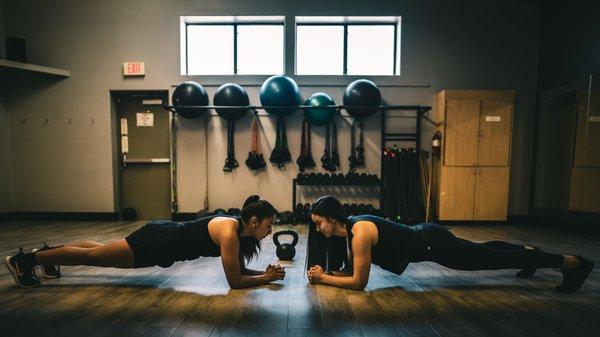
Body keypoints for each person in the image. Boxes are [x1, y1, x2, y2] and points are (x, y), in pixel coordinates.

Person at [306, 196, 593, 293]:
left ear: (333, 218)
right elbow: (355, 271)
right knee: (484, 252)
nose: (318, 229)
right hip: (430, 237)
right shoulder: (351, 230)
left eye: (319, 223)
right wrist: (326, 274)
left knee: (488, 260)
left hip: (433, 245)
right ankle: (528, 254)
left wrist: (323, 279)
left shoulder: (360, 233)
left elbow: (359, 283)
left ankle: (572, 263)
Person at [5, 195, 285, 289]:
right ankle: (25, 261)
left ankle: (47, 257)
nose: (270, 232)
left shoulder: (237, 231)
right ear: (254, 221)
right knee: (94, 257)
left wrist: (266, 274)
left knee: (99, 251)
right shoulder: (229, 234)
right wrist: (265, 279)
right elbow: (235, 282)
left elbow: (240, 271)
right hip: (157, 243)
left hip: (162, 238)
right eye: (269, 225)